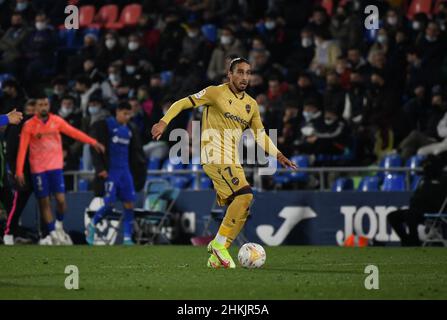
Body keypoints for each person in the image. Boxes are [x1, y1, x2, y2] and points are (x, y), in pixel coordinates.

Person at [151, 57, 297, 268]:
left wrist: (280, 155)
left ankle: (216, 256)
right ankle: (219, 245)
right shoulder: (215, 92)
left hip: (231, 159)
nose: (245, 77)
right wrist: (164, 122)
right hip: (213, 155)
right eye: (240, 72)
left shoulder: (251, 105)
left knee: (243, 205)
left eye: (248, 73)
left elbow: (261, 135)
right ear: (230, 74)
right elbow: (183, 102)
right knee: (245, 195)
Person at [15, 95, 105, 245]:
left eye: (46, 104)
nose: (43, 107)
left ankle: (58, 224)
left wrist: (93, 142)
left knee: (61, 201)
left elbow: (74, 133)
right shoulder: (29, 125)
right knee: (44, 202)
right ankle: (51, 233)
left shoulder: (56, 121)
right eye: (41, 104)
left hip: (55, 168)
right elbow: (22, 149)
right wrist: (19, 171)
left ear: (49, 106)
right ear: (36, 107)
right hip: (38, 169)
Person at [87, 101, 146, 245]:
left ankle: (127, 238)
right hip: (111, 172)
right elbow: (94, 148)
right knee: (110, 204)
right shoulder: (105, 125)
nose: (127, 117)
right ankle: (93, 224)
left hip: (125, 172)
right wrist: (100, 168)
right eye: (125, 114)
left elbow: (136, 152)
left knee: (129, 204)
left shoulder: (131, 129)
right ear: (117, 112)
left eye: (129, 114)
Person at [388, 154, 447, 246]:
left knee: (410, 215)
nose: (425, 168)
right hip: (416, 211)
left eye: (428, 165)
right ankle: (406, 240)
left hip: (432, 211)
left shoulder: (444, 179)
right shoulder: (424, 179)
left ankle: (414, 241)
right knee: (392, 216)